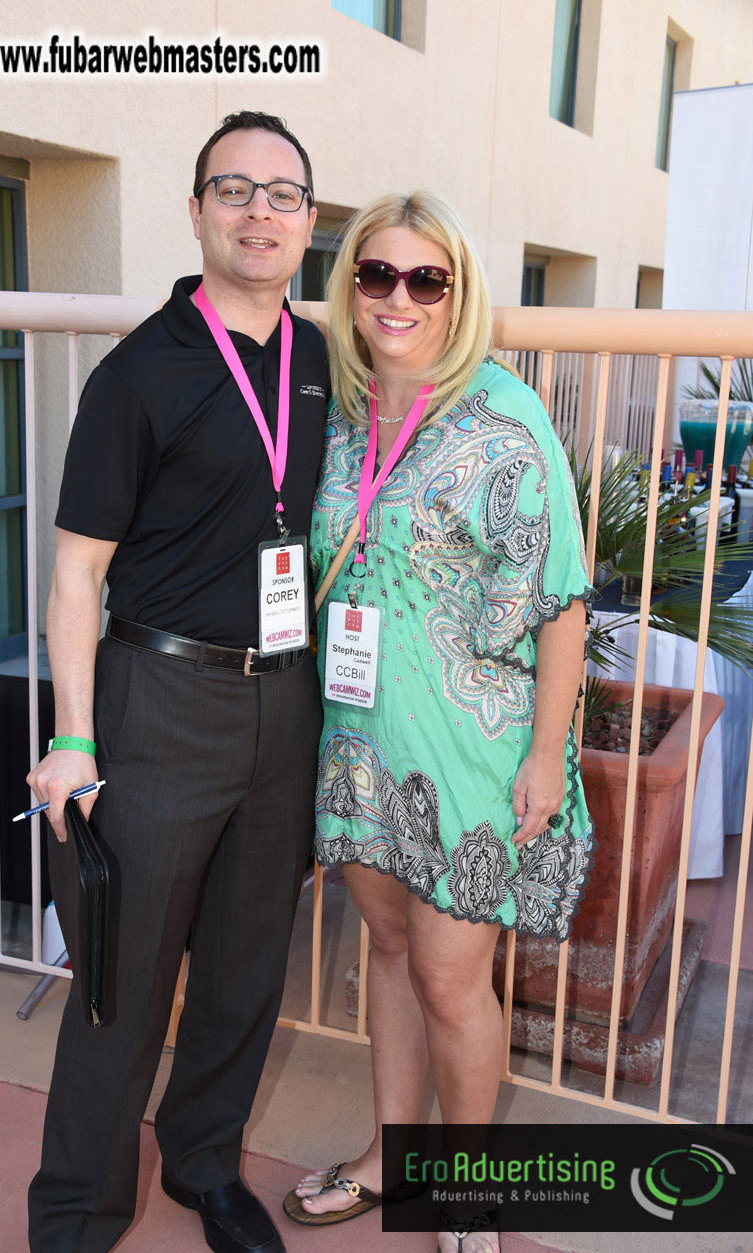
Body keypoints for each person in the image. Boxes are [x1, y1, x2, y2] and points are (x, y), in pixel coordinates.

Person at [26, 111, 327, 1253]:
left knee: (247, 968)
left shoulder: (322, 361)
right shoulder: (140, 372)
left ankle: (204, 1164)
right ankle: (75, 1214)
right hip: (159, 704)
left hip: (289, 702)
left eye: (283, 193)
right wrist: (73, 738)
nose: (261, 210)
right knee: (122, 979)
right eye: (235, 190)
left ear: (309, 220)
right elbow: (76, 574)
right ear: (196, 209)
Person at [283, 192, 595, 1253]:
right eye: (378, 275)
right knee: (386, 949)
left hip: (471, 752)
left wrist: (547, 754)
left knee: (455, 976)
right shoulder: (338, 411)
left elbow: (561, 599)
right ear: (351, 285)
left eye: (427, 278)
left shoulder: (507, 415)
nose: (399, 297)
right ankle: (390, 1158)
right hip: (361, 746)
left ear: (458, 291)